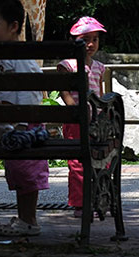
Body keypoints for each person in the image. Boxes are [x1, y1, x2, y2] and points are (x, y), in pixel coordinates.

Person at [0, 0, 48, 236]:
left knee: (25, 175)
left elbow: (22, 96)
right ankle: (25, 218)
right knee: (21, 175)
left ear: (14, 27)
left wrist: (19, 123)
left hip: (23, 128)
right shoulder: (14, 55)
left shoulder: (14, 58)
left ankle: (29, 221)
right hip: (22, 125)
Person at [57, 16, 107, 218]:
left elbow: (101, 95)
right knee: (78, 162)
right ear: (75, 41)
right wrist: (75, 111)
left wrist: (101, 115)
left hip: (96, 121)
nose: (91, 44)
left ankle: (98, 199)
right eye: (85, 39)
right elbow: (64, 92)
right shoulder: (67, 65)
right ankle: (80, 204)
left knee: (99, 160)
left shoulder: (99, 67)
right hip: (77, 120)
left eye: (94, 39)